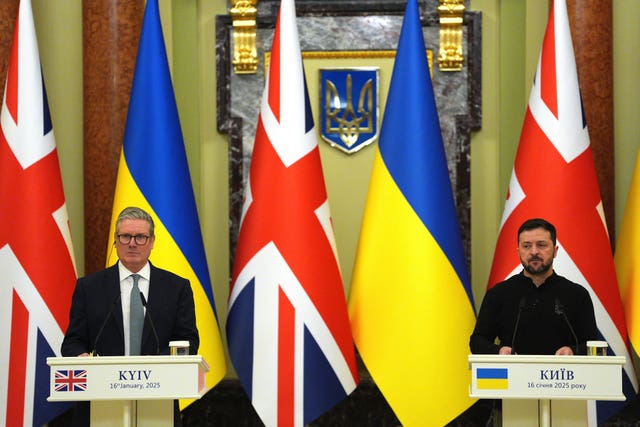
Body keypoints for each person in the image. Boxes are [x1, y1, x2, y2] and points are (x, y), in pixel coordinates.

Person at [61, 206, 199, 426]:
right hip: (100, 402)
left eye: (141, 237)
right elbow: (72, 343)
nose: (132, 243)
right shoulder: (90, 287)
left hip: (157, 399)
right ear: (116, 240)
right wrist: (82, 357)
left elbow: (188, 342)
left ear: (152, 241)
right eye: (125, 236)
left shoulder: (176, 288)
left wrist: (149, 372)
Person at [470, 218, 598, 356]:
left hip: (564, 375)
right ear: (518, 251)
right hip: (512, 375)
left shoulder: (577, 294)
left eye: (541, 245)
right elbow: (477, 341)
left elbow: (593, 345)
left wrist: (572, 351)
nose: (534, 252)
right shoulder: (499, 293)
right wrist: (499, 351)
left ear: (555, 251)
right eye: (526, 246)